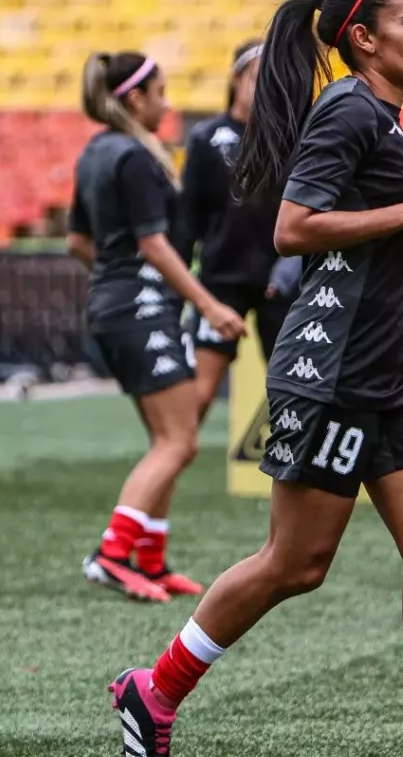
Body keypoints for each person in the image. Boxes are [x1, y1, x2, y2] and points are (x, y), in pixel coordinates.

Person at [105, 0, 403, 756]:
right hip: (332, 370)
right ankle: (153, 692)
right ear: (365, 38)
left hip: (390, 370)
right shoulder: (350, 110)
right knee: (295, 564)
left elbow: (355, 236)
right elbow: (292, 230)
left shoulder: (381, 118)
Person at [67, 51, 248, 603]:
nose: (168, 105)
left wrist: (115, 281)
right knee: (178, 441)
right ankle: (112, 555)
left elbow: (77, 241)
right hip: (142, 310)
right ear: (134, 99)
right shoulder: (134, 157)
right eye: (161, 93)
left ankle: (149, 559)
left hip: (117, 307)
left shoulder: (95, 153)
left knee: (170, 440)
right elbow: (154, 245)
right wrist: (209, 305)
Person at [174, 40, 294, 418]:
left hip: (279, 283)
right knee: (198, 395)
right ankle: (174, 447)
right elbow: (188, 218)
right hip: (222, 281)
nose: (265, 89)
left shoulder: (290, 137)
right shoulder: (206, 138)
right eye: (257, 78)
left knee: (294, 395)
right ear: (236, 79)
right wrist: (179, 287)